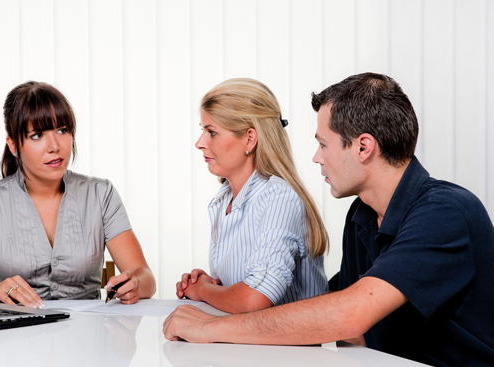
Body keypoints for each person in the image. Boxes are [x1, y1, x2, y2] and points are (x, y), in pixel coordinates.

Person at [163, 73, 494, 367]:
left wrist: (208, 328)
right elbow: (350, 329)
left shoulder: (446, 212)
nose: (316, 157)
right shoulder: (361, 216)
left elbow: (350, 316)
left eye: (323, 144)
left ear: (363, 147)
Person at [0, 81, 155, 308]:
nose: (54, 146)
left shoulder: (100, 194)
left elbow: (144, 276)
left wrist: (135, 284)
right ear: (13, 145)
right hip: (15, 336)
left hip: (88, 335)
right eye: (37, 135)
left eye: (62, 130)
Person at [175, 78, 329, 314]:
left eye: (212, 132)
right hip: (245, 346)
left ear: (249, 138)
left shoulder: (277, 197)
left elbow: (255, 299)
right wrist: (211, 284)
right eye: (202, 130)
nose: (199, 143)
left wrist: (203, 291)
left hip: (285, 351)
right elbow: (241, 294)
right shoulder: (223, 200)